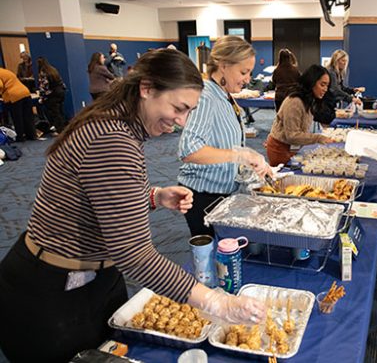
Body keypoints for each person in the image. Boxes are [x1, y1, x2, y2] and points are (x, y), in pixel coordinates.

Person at [0, 49, 266, 363]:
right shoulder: (111, 138)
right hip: (51, 291)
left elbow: (101, 196)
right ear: (147, 89)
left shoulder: (119, 124)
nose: (180, 122)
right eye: (178, 108)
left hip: (95, 277)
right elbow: (134, 253)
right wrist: (214, 302)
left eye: (188, 112)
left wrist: (153, 196)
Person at [178, 36, 271, 238]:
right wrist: (240, 156)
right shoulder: (206, 96)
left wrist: (251, 163)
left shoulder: (225, 95)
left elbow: (228, 144)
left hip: (222, 193)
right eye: (243, 72)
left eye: (249, 73)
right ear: (223, 66)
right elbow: (189, 149)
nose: (248, 79)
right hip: (203, 196)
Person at [265, 64, 335, 166]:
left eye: (327, 86)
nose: (325, 89)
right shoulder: (295, 102)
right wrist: (318, 138)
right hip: (280, 150)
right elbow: (292, 135)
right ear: (311, 82)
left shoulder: (309, 100)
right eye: (322, 85)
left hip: (293, 147)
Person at [0, 67, 36, 142]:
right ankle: (32, 135)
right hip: (25, 92)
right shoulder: (5, 71)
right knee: (27, 116)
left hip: (14, 96)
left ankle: (20, 137)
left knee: (17, 118)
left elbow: (0, 85)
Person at [37, 57, 67, 133]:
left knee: (55, 113)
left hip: (52, 95)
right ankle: (65, 128)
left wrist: (42, 97)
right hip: (60, 92)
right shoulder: (53, 69)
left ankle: (60, 130)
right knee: (60, 111)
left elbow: (44, 86)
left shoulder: (43, 72)